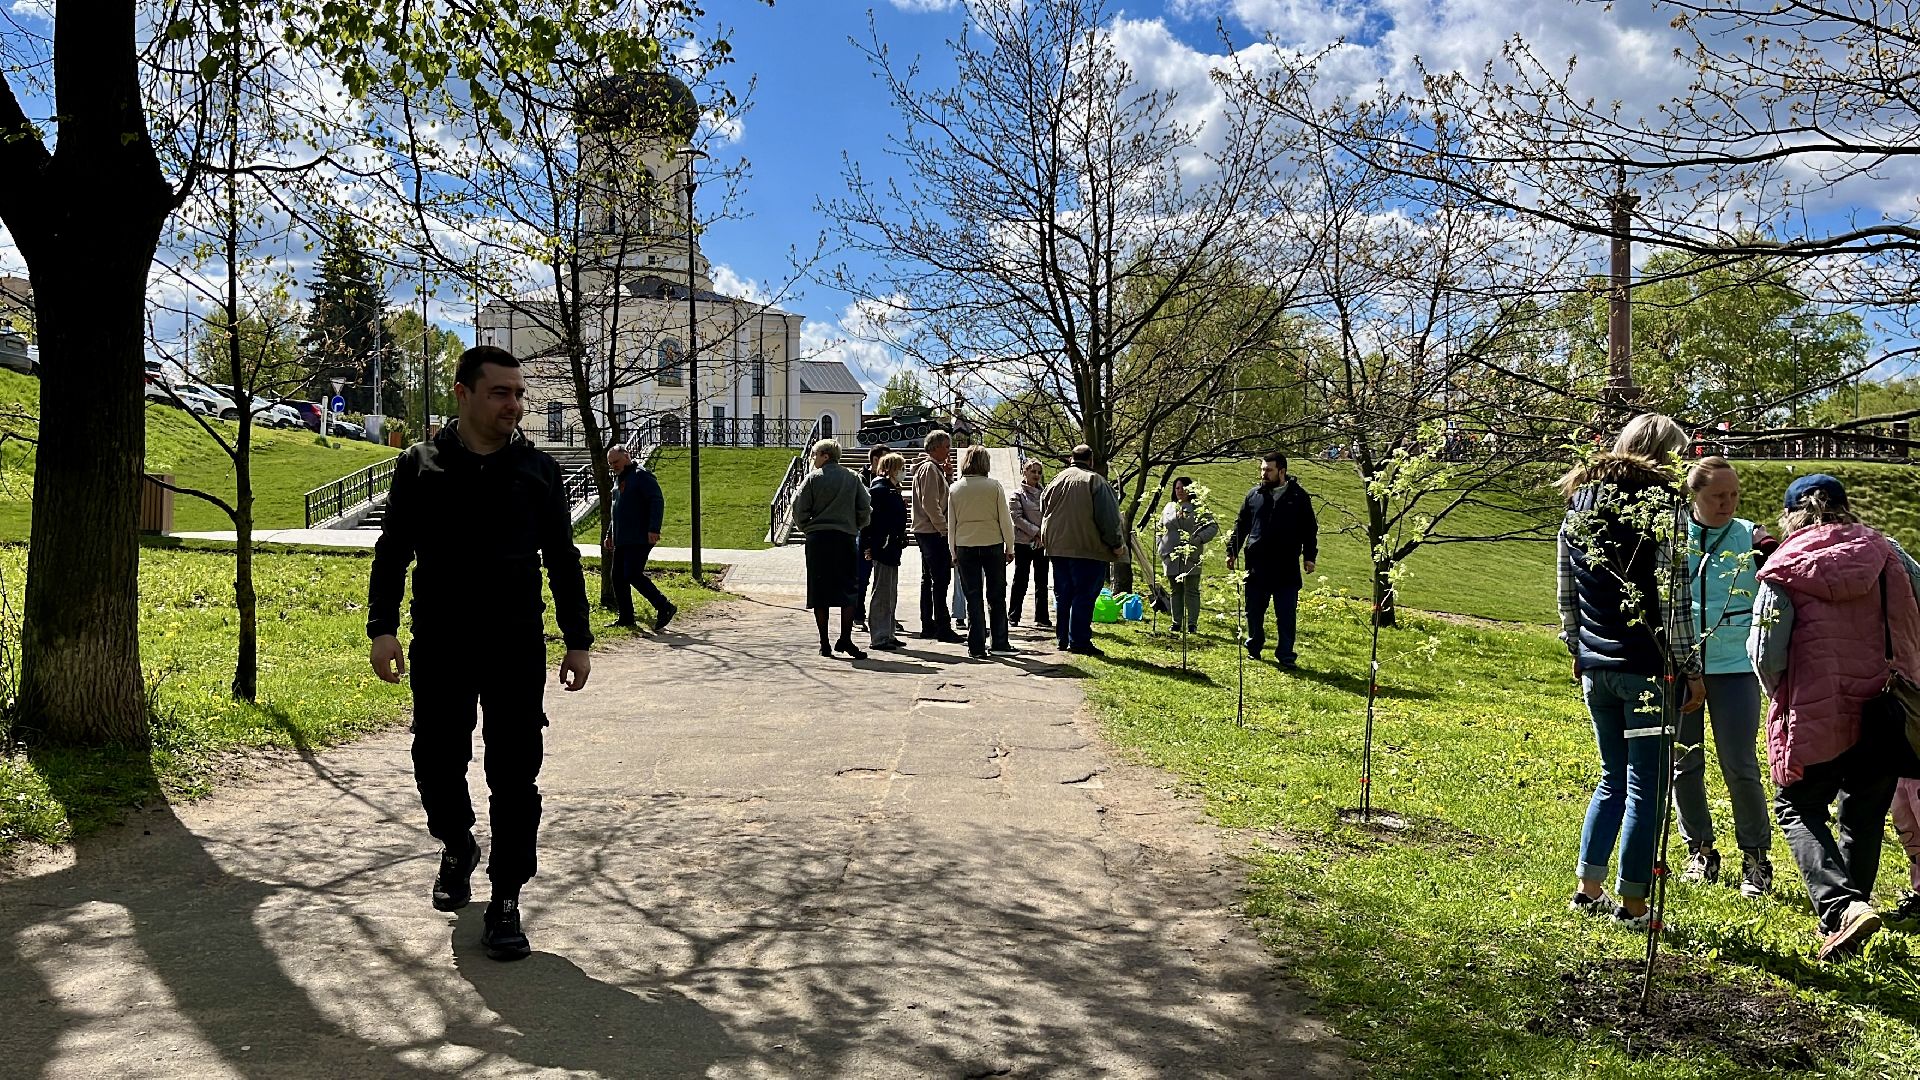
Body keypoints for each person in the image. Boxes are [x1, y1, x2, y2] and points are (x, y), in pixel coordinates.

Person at [367, 345, 592, 963]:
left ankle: (506, 899)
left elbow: (564, 560)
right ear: (464, 393)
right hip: (440, 642)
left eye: (519, 394)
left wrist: (578, 639)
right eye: (501, 393)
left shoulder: (540, 472)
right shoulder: (420, 466)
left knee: (515, 773)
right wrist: (381, 627)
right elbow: (393, 551)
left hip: (516, 643)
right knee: (437, 759)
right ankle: (457, 842)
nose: (514, 405)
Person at [1750, 473, 1920, 960]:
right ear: (1845, 508)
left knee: (1797, 807)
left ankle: (1843, 909)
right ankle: (1853, 918)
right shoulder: (1889, 553)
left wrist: (1778, 693)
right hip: (1887, 707)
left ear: (1790, 516)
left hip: (1815, 708)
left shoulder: (1784, 563)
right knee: (1863, 817)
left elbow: (1765, 650)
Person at [1557, 413, 1703, 931]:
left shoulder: (1579, 504)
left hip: (1597, 667)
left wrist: (1578, 650)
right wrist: (1689, 666)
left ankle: (1588, 887)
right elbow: (1675, 598)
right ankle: (1634, 903)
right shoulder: (1662, 508)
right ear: (1666, 455)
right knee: (1647, 787)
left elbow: (1566, 594)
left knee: (1610, 779)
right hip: (1647, 666)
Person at [1673, 457, 1776, 896]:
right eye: (1718, 496)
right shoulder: (1673, 536)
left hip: (1735, 668)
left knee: (1740, 767)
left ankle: (1756, 859)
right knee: (1684, 764)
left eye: (1733, 495)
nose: (1728, 503)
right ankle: (1700, 851)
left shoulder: (1751, 538)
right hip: (1682, 666)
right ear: (1693, 496)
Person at [1225, 452, 1318, 667]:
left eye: (1269, 470)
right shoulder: (1254, 495)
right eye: (1262, 470)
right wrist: (1232, 551)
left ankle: (1285, 656)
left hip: (1286, 567)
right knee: (1254, 612)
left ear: (1282, 471)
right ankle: (1254, 647)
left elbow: (1309, 529)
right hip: (1257, 566)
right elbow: (1241, 525)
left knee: (1286, 615)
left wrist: (1309, 557)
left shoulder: (1298, 497)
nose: (1264, 474)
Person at [790, 438, 873, 659]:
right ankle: (846, 638)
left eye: (816, 454)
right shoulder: (853, 478)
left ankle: (824, 643)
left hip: (818, 540)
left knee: (820, 591)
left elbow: (798, 509)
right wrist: (855, 525)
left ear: (825, 455)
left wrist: (808, 527)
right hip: (845, 538)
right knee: (848, 590)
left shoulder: (813, 479)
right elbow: (865, 508)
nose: (813, 458)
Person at [1039, 444, 1125, 656]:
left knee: (1063, 594)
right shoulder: (1095, 481)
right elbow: (1108, 517)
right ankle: (1078, 641)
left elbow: (1043, 507)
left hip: (1057, 547)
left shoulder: (1055, 480)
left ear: (1071, 458)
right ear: (1091, 460)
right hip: (1087, 548)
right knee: (1084, 594)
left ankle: (1062, 638)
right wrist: (1116, 544)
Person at [949, 444, 1017, 659]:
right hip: (992, 543)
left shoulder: (955, 489)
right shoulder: (994, 486)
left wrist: (952, 551)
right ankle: (999, 641)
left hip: (965, 544)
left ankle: (976, 645)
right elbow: (1005, 519)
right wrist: (1010, 545)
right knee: (996, 595)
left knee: (973, 596)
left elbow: (952, 524)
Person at [605, 443, 677, 634]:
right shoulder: (619, 478)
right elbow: (616, 509)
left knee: (632, 574)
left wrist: (654, 528)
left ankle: (664, 606)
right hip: (622, 537)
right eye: (611, 464)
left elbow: (657, 500)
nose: (614, 466)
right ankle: (626, 617)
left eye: (616, 462)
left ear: (626, 456)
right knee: (617, 577)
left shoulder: (641, 475)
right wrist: (610, 534)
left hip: (640, 536)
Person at [913, 430, 963, 642]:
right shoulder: (929, 469)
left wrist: (949, 476)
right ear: (935, 447)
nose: (949, 451)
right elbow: (930, 503)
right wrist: (944, 529)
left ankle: (930, 624)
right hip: (932, 532)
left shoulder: (934, 469)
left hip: (928, 531)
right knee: (940, 579)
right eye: (946, 447)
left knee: (931, 579)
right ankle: (942, 626)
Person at [862, 453, 910, 651]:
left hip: (891, 546)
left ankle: (888, 632)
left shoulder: (890, 489)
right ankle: (879, 636)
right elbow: (873, 522)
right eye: (900, 468)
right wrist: (871, 545)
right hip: (883, 546)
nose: (903, 473)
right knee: (882, 592)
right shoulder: (880, 490)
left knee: (890, 592)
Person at [1159, 477, 1219, 634]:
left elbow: (1212, 526)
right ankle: (1176, 622)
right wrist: (1161, 546)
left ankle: (1192, 624)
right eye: (1177, 488)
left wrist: (1199, 539)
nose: (1180, 491)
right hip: (1171, 555)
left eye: (1183, 488)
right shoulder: (1169, 507)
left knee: (1191, 590)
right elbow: (1160, 527)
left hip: (1191, 555)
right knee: (1175, 590)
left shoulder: (1198, 507)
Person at [1008, 459, 1050, 627]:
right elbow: (1017, 518)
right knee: (1021, 579)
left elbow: (1050, 515)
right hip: (1023, 543)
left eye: (1039, 472)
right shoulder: (1016, 495)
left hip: (1042, 544)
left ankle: (1042, 617)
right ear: (1024, 472)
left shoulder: (1046, 494)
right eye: (1033, 471)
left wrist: (1043, 535)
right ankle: (1013, 615)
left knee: (1042, 581)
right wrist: (1036, 532)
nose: (1036, 475)